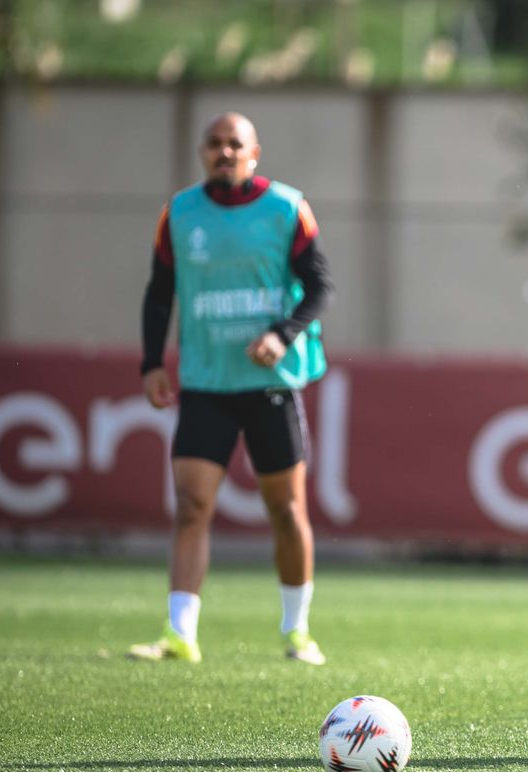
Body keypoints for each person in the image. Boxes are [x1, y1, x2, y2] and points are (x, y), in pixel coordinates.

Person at [127, 112, 334, 665]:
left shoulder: (287, 207)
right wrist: (152, 361)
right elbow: (159, 293)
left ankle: (297, 631)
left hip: (270, 382)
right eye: (215, 144)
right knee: (192, 504)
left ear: (254, 153)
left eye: (234, 144)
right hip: (206, 382)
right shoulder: (181, 212)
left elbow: (318, 287)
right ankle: (180, 634)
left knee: (286, 510)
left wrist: (282, 334)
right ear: (203, 152)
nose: (224, 152)